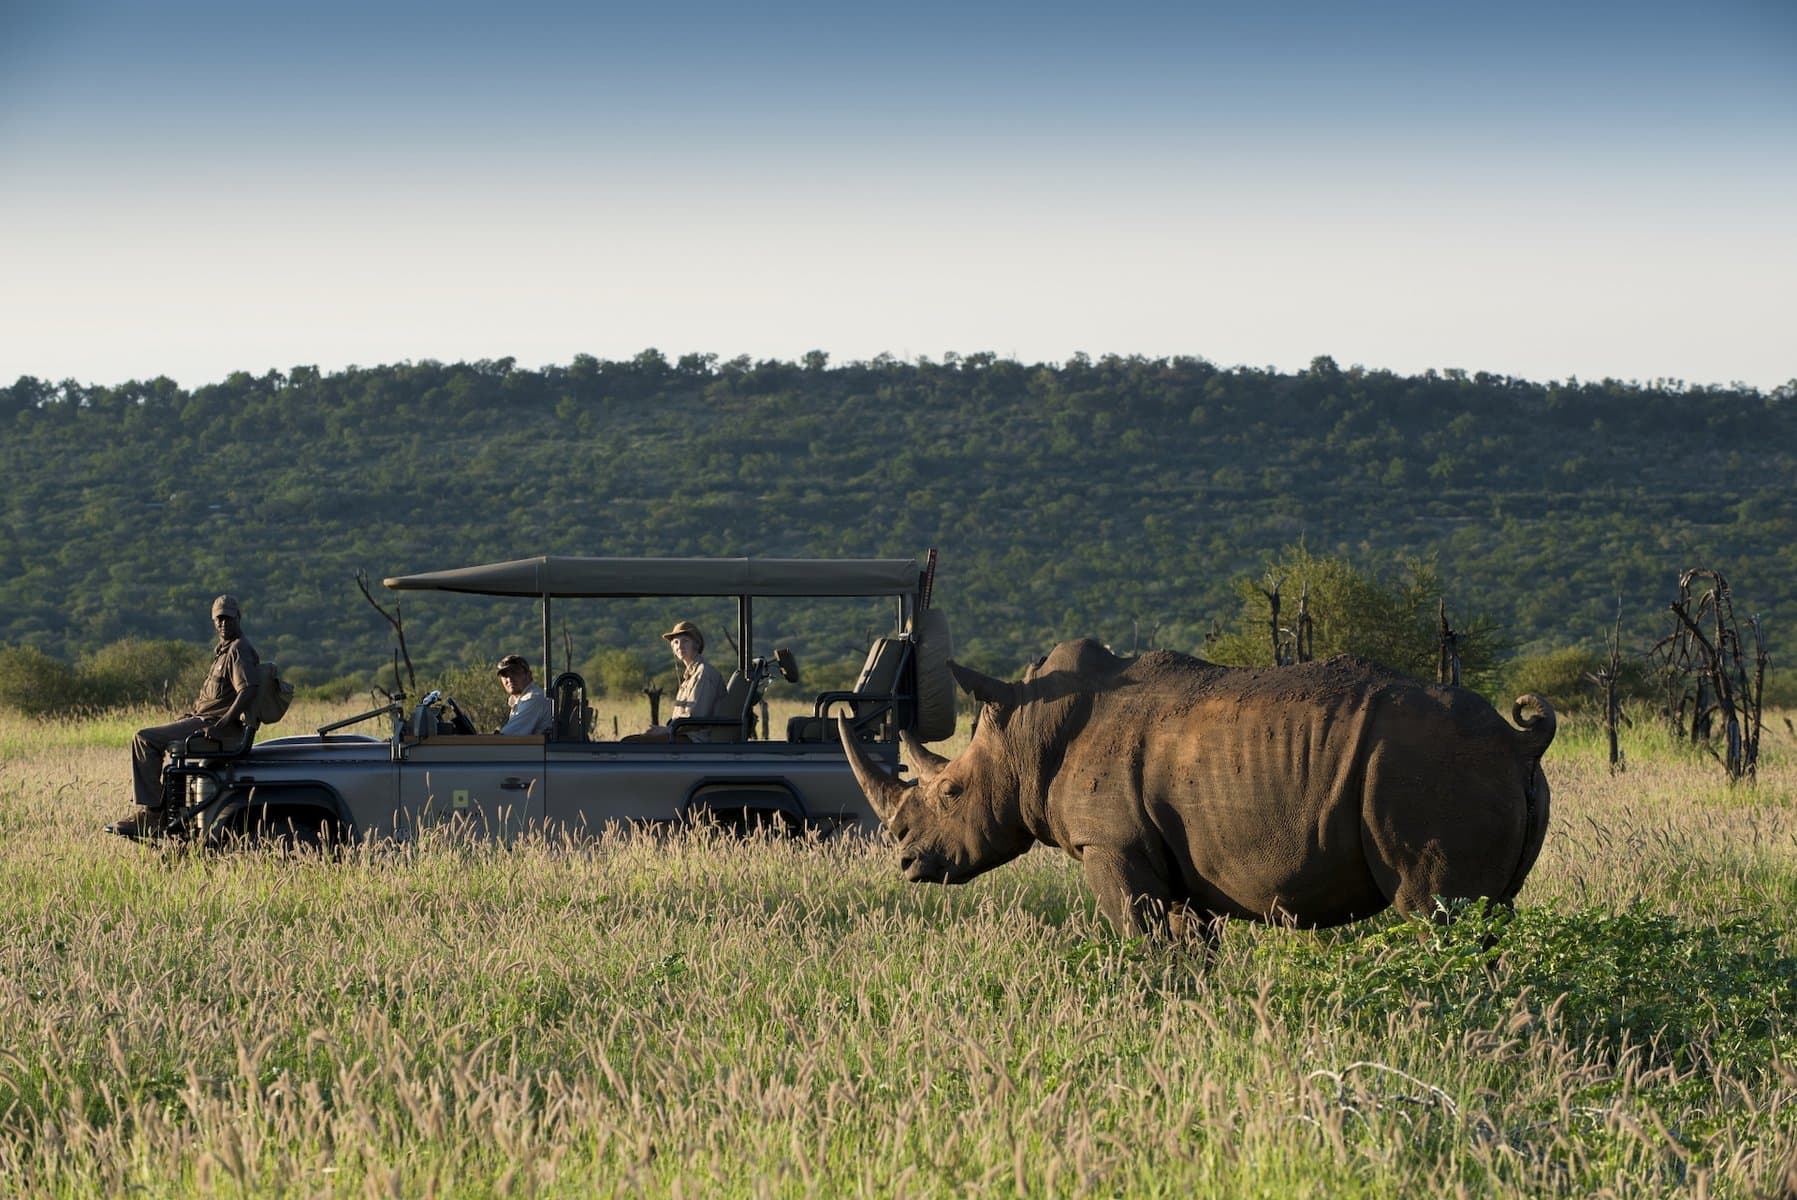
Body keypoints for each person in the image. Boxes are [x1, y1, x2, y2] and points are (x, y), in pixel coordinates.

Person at [109, 594, 260, 840]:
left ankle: (153, 813)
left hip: (214, 725)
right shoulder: (224, 651)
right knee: (166, 757)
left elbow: (249, 689)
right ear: (213, 621)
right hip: (204, 719)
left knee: (144, 739)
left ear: (238, 618)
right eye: (218, 619)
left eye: (228, 618)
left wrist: (223, 723)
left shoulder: (238, 649)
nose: (223, 623)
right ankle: (171, 813)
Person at [637, 619, 725, 742]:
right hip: (682, 735)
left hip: (696, 740)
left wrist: (666, 730)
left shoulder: (704, 674)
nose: (680, 646)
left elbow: (695, 718)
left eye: (685, 641)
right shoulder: (690, 676)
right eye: (676, 642)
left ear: (696, 644)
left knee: (632, 744)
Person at [495, 653, 553, 735]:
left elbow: (508, 736)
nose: (509, 679)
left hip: (541, 747)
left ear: (529, 675)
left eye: (514, 672)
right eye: (504, 675)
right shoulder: (520, 699)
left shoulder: (533, 698)